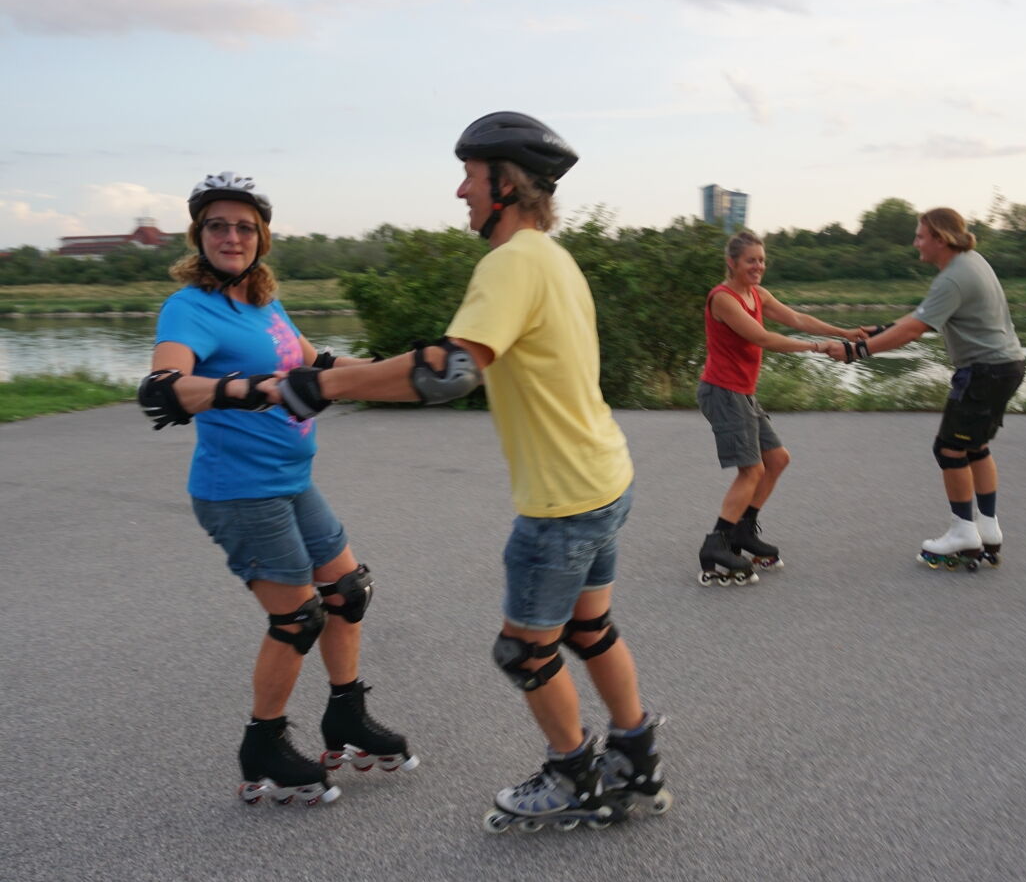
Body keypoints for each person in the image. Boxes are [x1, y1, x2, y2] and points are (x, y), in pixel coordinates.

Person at [268, 113, 671, 831]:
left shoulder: (510, 263)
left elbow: (449, 371)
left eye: (470, 176)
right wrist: (340, 373)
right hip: (604, 477)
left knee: (526, 651)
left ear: (505, 185)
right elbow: (459, 362)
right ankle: (635, 756)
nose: (461, 191)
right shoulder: (554, 258)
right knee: (589, 629)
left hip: (562, 500)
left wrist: (324, 385)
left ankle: (574, 776)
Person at [137, 172, 416, 808]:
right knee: (297, 618)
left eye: (244, 227)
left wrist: (409, 371)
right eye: (217, 226)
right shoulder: (189, 307)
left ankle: (346, 715)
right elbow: (165, 383)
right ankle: (263, 745)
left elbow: (318, 367)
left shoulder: (265, 302)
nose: (231, 237)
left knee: (347, 592)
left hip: (292, 480)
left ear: (261, 238)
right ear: (199, 236)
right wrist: (243, 388)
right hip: (239, 491)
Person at [818, 207, 1025, 570]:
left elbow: (914, 330)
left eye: (920, 236)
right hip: (1007, 367)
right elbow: (921, 317)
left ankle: (963, 532)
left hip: (983, 372)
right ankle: (987, 528)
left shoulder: (953, 278)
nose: (915, 243)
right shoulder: (971, 263)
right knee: (975, 446)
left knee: (949, 449)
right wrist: (882, 330)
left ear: (940, 239)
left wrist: (856, 351)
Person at [696, 229, 868, 586]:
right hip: (723, 391)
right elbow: (762, 337)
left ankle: (743, 530)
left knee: (777, 460)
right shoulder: (723, 298)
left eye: (761, 260)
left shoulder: (757, 294)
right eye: (750, 261)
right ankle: (717, 543)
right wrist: (818, 347)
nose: (758, 266)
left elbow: (798, 319)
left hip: (742, 392)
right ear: (732, 263)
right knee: (751, 470)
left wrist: (843, 332)